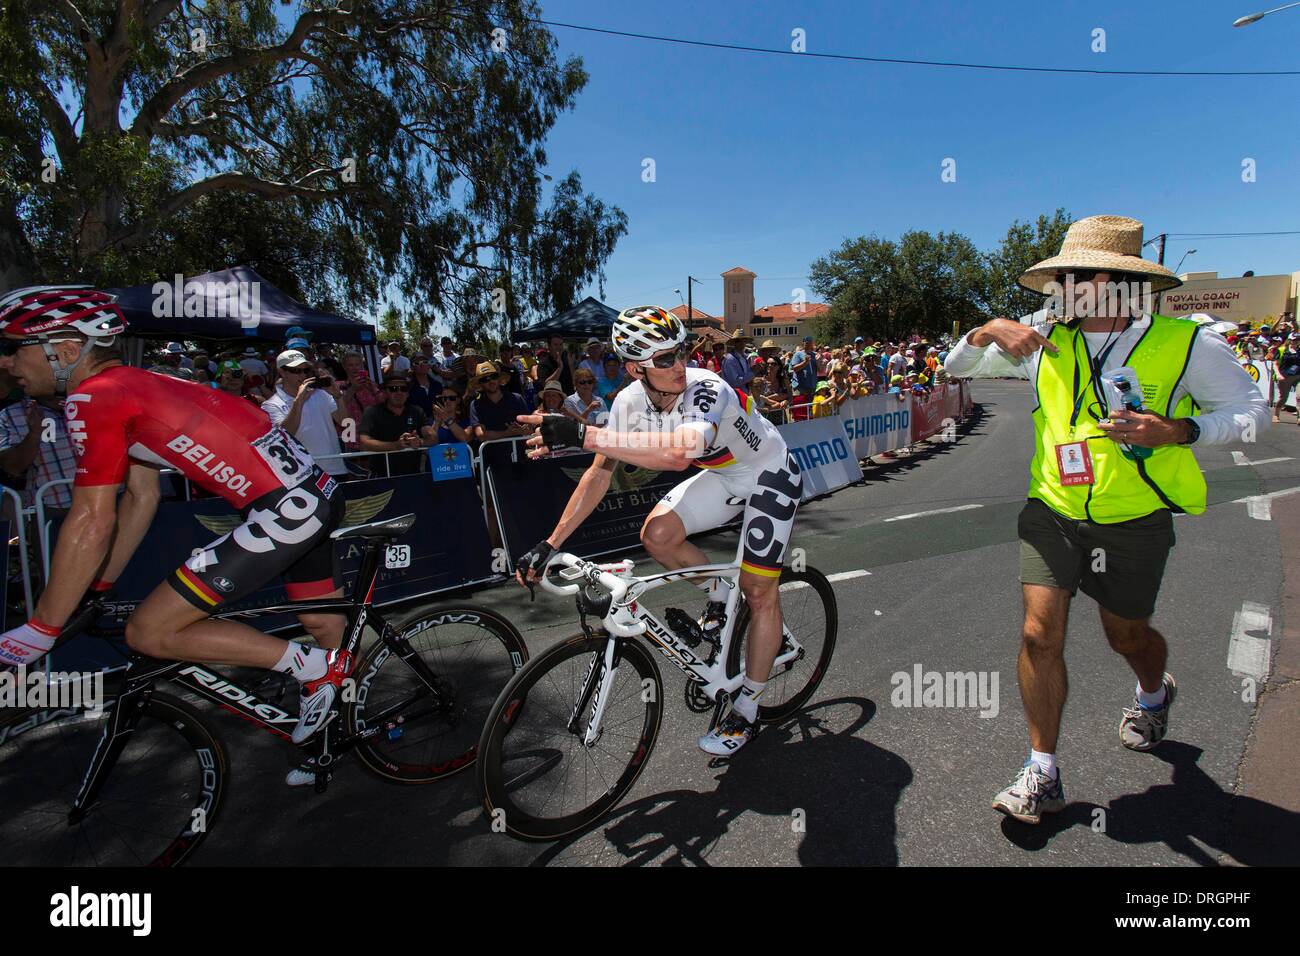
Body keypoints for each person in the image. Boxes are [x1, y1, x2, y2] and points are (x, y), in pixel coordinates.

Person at [941, 215, 1270, 825]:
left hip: (1134, 521)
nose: (1061, 286)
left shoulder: (1186, 343)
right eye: (1060, 275)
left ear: (1119, 281)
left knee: (1128, 637)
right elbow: (955, 370)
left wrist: (1180, 430)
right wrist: (986, 331)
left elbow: (1255, 413)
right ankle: (1042, 771)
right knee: (1040, 634)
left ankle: (1153, 692)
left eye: (1075, 275)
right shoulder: (1041, 337)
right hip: (1053, 511)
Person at [0, 285, 349, 755]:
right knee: (327, 629)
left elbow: (90, 518)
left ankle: (316, 671)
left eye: (14, 348)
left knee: (150, 631)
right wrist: (97, 587)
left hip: (289, 508)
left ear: (65, 350)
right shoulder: (129, 385)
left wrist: (42, 625)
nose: (6, 363)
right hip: (309, 497)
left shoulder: (94, 396)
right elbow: (139, 500)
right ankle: (345, 726)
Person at [514, 305, 803, 756]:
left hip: (769, 473)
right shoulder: (629, 402)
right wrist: (551, 543)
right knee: (658, 536)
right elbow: (599, 475)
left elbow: (678, 456)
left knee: (759, 589)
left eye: (681, 351)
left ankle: (747, 709)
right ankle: (718, 596)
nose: (679, 365)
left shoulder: (708, 387)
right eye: (664, 359)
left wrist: (582, 434)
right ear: (634, 369)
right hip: (726, 475)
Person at [261, 350, 351, 479]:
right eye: (296, 371)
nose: (302, 375)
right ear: (282, 372)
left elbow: (345, 423)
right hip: (301, 474)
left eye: (305, 370)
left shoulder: (322, 394)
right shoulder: (271, 404)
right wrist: (299, 401)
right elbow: (284, 435)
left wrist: (338, 396)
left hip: (334, 468)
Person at [0, 392, 75, 514]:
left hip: (105, 499)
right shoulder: (9, 415)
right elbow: (12, 467)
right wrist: (34, 434)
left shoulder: (87, 401)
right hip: (51, 508)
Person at [358, 370, 435, 476]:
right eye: (393, 389)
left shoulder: (417, 411)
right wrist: (396, 445)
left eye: (403, 389)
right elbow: (364, 444)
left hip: (413, 477)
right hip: (382, 477)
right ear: (385, 392)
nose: (399, 392)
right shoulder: (372, 412)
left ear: (408, 393)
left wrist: (419, 442)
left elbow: (433, 438)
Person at [468, 361, 530, 444]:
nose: (491, 381)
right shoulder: (476, 405)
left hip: (517, 453)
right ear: (481, 384)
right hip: (490, 455)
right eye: (485, 379)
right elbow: (481, 435)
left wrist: (523, 429)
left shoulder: (516, 398)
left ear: (499, 378)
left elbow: (529, 427)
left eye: (494, 376)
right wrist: (508, 433)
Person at [1272, 331, 1300, 424]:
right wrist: (1278, 374)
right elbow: (1275, 364)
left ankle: (1299, 417)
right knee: (1283, 398)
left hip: (1298, 376)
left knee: (1299, 396)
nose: (1296, 341)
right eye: (1294, 340)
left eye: (1298, 339)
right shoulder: (1281, 350)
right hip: (1285, 377)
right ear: (1290, 340)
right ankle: (1276, 414)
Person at [789, 335, 816, 420]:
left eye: (810, 341)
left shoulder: (814, 355)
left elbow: (817, 370)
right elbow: (794, 368)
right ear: (803, 343)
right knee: (799, 413)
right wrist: (805, 362)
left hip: (811, 388)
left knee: (810, 413)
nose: (808, 343)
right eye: (806, 341)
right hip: (800, 388)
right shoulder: (798, 354)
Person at [407, 354, 436, 419]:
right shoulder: (407, 387)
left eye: (425, 362)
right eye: (417, 363)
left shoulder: (437, 385)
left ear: (429, 366)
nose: (421, 365)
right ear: (412, 367)